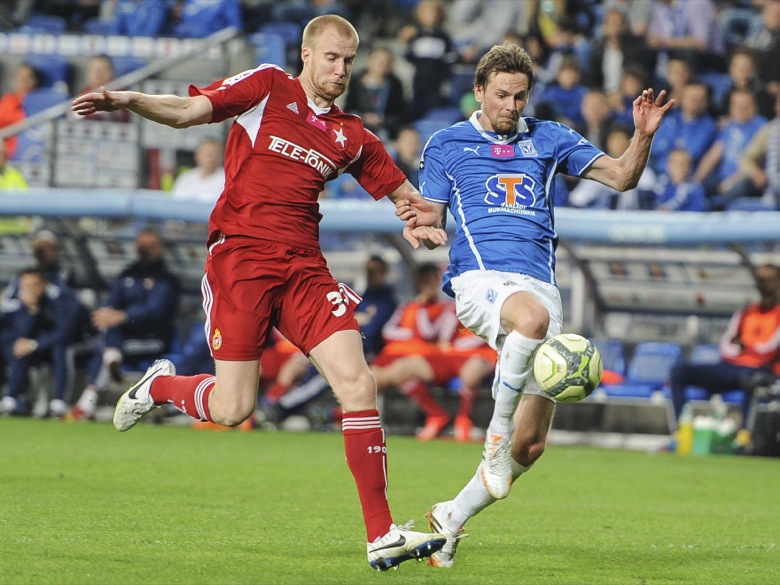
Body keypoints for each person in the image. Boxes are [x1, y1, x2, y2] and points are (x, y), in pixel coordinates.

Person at [70, 14, 447, 571]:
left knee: (358, 382)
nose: (340, 70)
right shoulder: (268, 86)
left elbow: (402, 193)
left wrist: (416, 217)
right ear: (307, 53)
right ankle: (160, 387)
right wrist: (127, 98)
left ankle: (382, 533)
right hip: (241, 258)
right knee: (232, 407)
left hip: (304, 269)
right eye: (331, 58)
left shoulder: (351, 134)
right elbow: (189, 112)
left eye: (349, 61)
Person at [407, 42, 672, 567]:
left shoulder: (550, 138)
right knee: (531, 323)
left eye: (519, 96)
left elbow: (622, 177)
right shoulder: (447, 143)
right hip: (482, 280)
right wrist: (422, 225)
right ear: (478, 91)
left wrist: (642, 136)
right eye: (501, 94)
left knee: (528, 449)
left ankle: (452, 516)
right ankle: (491, 442)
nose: (510, 104)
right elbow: (428, 211)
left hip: (538, 288)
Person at [68, 228, 180, 420]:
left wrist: (124, 316)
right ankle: (94, 392)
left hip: (153, 339)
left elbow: (155, 311)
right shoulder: (129, 274)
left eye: (150, 246)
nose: (145, 250)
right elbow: (112, 301)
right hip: (125, 338)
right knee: (106, 339)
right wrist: (105, 315)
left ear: (159, 248)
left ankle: (88, 402)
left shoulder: (166, 279)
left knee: (107, 348)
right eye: (141, 246)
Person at [667, 264, 780, 452]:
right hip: (729, 367)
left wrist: (744, 345)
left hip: (760, 370)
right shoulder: (746, 312)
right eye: (760, 279)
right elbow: (727, 345)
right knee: (679, 372)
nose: (763, 284)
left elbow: (768, 350)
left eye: (768, 279)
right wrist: (744, 348)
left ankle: (744, 439)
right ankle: (679, 434)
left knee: (752, 381)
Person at [0, 267, 85, 417]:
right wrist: (31, 311)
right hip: (42, 344)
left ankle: (58, 404)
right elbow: (20, 334)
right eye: (24, 286)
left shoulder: (58, 299)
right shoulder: (20, 303)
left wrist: (34, 344)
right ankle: (10, 400)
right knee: (20, 346)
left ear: (43, 285)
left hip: (81, 340)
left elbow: (65, 332)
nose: (28, 290)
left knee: (61, 349)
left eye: (33, 285)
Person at [720, 89, 780, 210]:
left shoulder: (759, 124)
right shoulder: (770, 130)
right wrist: (756, 173)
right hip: (774, 185)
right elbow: (746, 159)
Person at [343, 46, 407, 142]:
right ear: (371, 61)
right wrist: (363, 117)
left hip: (386, 133)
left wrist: (382, 119)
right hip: (359, 129)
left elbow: (400, 114)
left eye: (387, 62)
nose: (383, 65)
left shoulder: (395, 85)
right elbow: (347, 109)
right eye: (380, 61)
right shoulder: (355, 82)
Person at [0, 62, 40, 158]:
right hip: (5, 151)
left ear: (35, 81)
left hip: (30, 150)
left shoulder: (41, 103)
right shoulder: (8, 100)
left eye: (29, 77)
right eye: (19, 77)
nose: (24, 81)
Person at [171, 137, 226, 202]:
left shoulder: (227, 180)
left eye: (215, 154)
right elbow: (174, 202)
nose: (211, 158)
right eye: (207, 154)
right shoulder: (185, 178)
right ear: (197, 155)